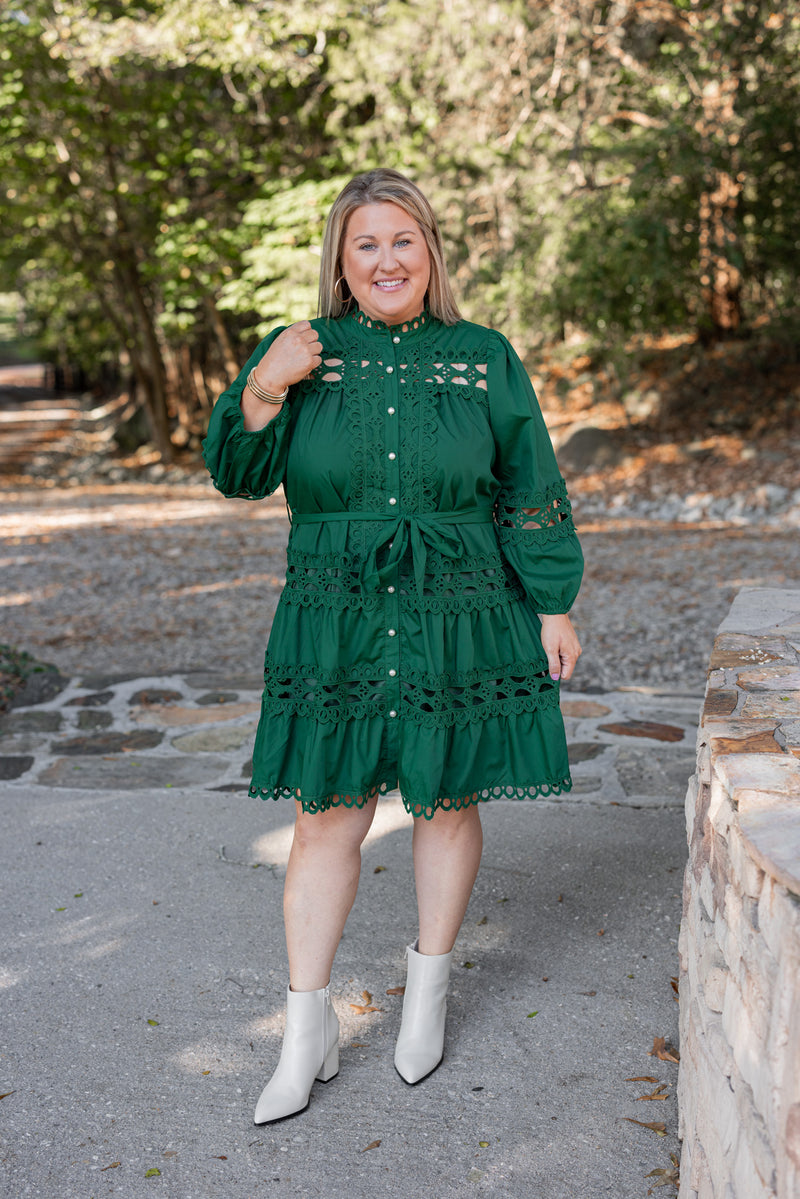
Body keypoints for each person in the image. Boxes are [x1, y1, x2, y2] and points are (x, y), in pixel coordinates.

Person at [203, 168, 583, 1124]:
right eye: (366, 243)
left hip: (460, 601)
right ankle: (305, 1030)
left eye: (403, 240)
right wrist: (261, 385)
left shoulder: (483, 355)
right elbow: (239, 474)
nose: (386, 260)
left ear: (431, 252)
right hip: (334, 607)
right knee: (327, 810)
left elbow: (527, 483)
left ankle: (429, 993)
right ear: (339, 257)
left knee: (445, 797)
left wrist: (553, 601)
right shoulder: (298, 351)